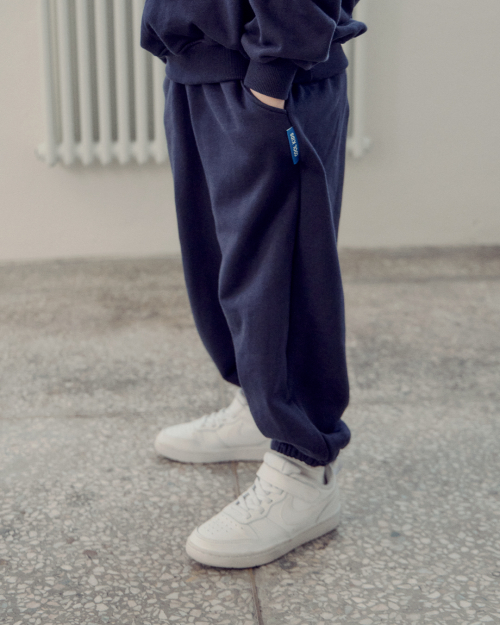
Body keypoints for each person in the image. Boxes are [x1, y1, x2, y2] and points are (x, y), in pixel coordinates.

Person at [140, 0, 367, 569]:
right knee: (224, 264)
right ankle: (258, 403)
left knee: (282, 273)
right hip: (204, 65)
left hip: (267, 72)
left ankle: (304, 468)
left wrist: (274, 70)